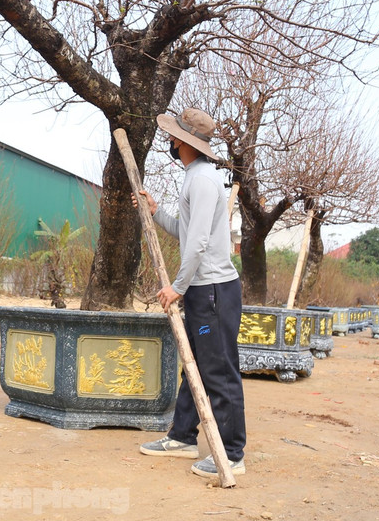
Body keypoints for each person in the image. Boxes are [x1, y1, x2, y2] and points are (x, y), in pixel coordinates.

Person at [134, 108, 247, 479]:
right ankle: (182, 436)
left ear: (184, 141)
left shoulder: (201, 180)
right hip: (206, 291)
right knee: (195, 367)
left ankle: (230, 454)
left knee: (219, 373)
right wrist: (155, 212)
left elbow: (197, 243)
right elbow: (186, 231)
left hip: (212, 291)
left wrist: (176, 288)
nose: (169, 140)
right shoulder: (196, 178)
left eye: (172, 135)